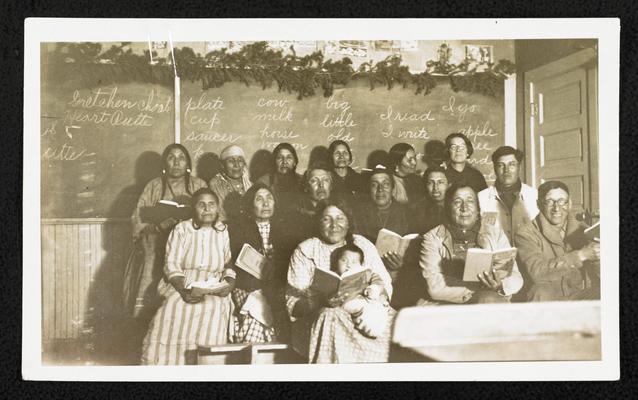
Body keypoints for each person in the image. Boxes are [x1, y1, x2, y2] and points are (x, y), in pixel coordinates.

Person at [286, 199, 394, 363]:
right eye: (327, 219)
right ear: (318, 223)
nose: (334, 224)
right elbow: (293, 304)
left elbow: (383, 283)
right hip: (317, 317)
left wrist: (375, 295)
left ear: (349, 222)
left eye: (340, 218)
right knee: (331, 315)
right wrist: (319, 301)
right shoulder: (306, 250)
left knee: (398, 320)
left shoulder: (362, 244)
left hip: (364, 309)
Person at [141, 188, 236, 365]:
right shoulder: (182, 229)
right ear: (194, 208)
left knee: (213, 307)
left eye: (211, 205)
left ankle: (206, 366)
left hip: (214, 283)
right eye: (202, 205)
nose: (207, 209)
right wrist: (184, 290)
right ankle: (167, 364)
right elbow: (171, 263)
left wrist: (229, 283)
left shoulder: (223, 231)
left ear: (217, 208)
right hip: (183, 281)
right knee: (172, 305)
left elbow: (228, 262)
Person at [124, 143, 207, 321]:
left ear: (188, 164)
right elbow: (137, 219)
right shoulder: (153, 186)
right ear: (164, 164)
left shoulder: (198, 185)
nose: (176, 162)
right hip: (157, 242)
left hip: (192, 241)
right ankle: (146, 320)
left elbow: (211, 213)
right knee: (152, 255)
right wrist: (160, 225)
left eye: (181, 158)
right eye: (171, 157)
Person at [419, 181, 524, 304]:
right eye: (457, 202)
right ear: (448, 208)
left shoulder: (496, 234)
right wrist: (479, 290)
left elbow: (516, 278)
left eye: (470, 201)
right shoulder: (432, 238)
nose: (464, 208)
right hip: (449, 305)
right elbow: (435, 287)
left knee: (488, 299)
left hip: (490, 301)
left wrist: (500, 285)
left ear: (478, 209)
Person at [228, 183, 297, 343]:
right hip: (248, 287)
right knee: (258, 309)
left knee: (264, 311)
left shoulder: (286, 228)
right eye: (259, 199)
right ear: (250, 204)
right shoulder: (237, 229)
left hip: (276, 287)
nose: (265, 204)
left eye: (269, 198)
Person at [352, 165, 424, 308]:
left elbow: (417, 251)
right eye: (374, 185)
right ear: (369, 190)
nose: (380, 189)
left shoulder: (409, 213)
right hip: (369, 273)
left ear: (392, 189)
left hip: (400, 273)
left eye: (385, 184)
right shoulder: (357, 214)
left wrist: (403, 263)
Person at [515, 181, 600, 301]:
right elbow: (537, 273)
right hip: (547, 297)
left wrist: (598, 255)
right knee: (540, 291)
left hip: (577, 295)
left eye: (562, 201)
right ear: (539, 204)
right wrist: (580, 255)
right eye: (549, 201)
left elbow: (601, 275)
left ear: (569, 204)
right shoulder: (526, 233)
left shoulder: (582, 230)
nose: (556, 208)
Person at [478, 146, 539, 244]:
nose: (506, 170)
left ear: (519, 167)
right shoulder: (481, 198)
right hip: (495, 257)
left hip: (528, 256)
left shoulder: (534, 195)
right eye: (501, 165)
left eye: (512, 165)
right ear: (494, 169)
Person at [329, 243, 387, 329]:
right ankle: (368, 327)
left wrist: (373, 288)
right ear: (337, 262)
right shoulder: (332, 277)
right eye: (344, 260)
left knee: (379, 309)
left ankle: (373, 327)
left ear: (360, 265)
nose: (348, 265)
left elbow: (378, 281)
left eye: (354, 262)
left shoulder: (365, 273)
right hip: (347, 303)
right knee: (364, 310)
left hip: (367, 300)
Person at [291, 161, 336, 238]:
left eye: (325, 180)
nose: (321, 185)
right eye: (314, 181)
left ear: (331, 186)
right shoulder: (295, 213)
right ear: (306, 187)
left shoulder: (340, 210)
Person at [208, 144, 252, 222]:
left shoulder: (249, 184)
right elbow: (220, 216)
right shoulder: (216, 184)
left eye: (240, 160)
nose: (236, 165)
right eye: (231, 161)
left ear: (244, 164)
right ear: (222, 165)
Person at [256, 142, 303, 212]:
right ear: (274, 162)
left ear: (294, 162)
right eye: (280, 158)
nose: (284, 162)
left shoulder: (303, 181)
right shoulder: (264, 182)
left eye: (289, 158)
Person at [412, 165, 450, 235]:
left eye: (440, 182)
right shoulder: (417, 209)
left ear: (449, 185)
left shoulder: (456, 206)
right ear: (426, 185)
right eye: (431, 183)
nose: (435, 188)